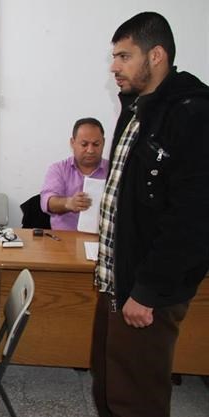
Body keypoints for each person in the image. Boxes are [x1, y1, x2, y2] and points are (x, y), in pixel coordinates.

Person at [92, 12, 209, 417]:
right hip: (116, 280)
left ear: (156, 55)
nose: (114, 66)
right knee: (109, 385)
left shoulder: (192, 114)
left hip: (147, 291)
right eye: (114, 57)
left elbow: (193, 220)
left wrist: (148, 291)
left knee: (137, 398)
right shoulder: (137, 109)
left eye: (124, 56)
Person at [40, 117, 109, 230]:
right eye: (84, 144)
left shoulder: (114, 171)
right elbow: (47, 202)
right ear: (72, 143)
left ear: (103, 143)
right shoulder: (59, 169)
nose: (90, 150)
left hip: (103, 237)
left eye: (96, 144)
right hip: (65, 237)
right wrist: (68, 203)